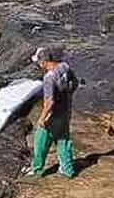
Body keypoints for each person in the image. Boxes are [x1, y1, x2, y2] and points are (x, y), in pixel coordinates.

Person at [24, 46, 79, 179]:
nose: (38, 65)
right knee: (63, 140)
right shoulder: (64, 67)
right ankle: (68, 170)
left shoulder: (49, 78)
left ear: (43, 62)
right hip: (65, 112)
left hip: (53, 115)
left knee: (40, 141)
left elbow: (49, 102)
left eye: (38, 63)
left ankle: (36, 170)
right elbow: (75, 83)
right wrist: (67, 96)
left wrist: (42, 119)